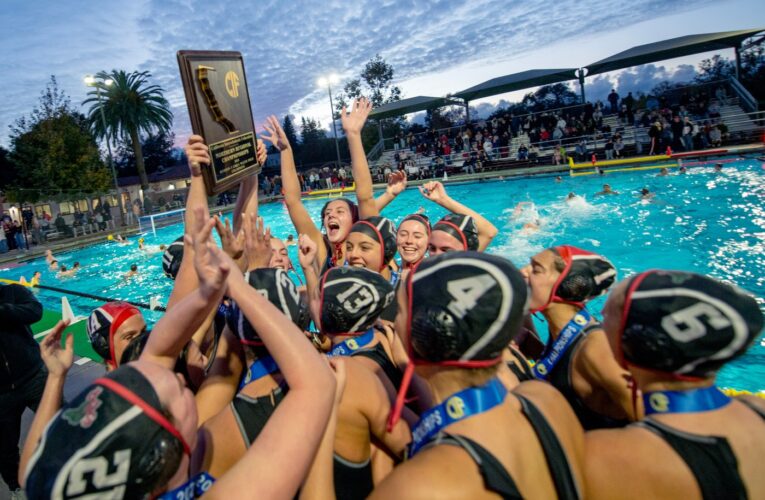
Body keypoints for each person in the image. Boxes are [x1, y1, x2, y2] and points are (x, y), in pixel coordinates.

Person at [376, 252, 586, 499]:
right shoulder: (545, 399)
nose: (394, 320)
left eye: (399, 311)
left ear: (424, 334)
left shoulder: (419, 485)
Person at [586, 270, 765, 499]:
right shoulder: (756, 410)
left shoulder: (604, 454)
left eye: (610, 311)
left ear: (641, 341)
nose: (600, 314)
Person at [520, 246, 638, 429]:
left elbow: (648, 416)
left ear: (567, 287)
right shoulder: (561, 333)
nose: (522, 272)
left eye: (536, 270)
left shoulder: (596, 348)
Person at [0, 282, 44, 498]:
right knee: (5, 448)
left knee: (61, 422)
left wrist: (3, 310)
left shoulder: (12, 291)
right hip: (1, 393)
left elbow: (36, 311)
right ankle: (16, 487)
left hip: (33, 376)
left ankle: (72, 466)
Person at [419, 181, 498, 256]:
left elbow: (489, 232)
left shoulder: (465, 264)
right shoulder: (425, 268)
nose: (437, 255)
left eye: (446, 250)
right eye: (432, 248)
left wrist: (443, 200)